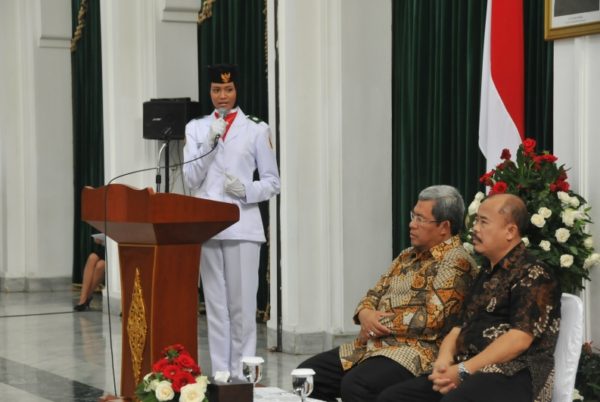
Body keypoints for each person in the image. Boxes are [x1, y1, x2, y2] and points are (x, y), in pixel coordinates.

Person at [297, 185, 478, 402]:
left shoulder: (456, 260)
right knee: (308, 376)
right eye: (413, 216)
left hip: (415, 351)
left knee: (356, 385)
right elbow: (375, 293)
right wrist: (365, 314)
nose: (411, 224)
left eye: (420, 219)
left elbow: (433, 318)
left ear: (444, 227)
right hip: (372, 346)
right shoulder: (406, 255)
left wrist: (376, 324)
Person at [377, 193, 561, 402]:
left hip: (515, 372)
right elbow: (459, 326)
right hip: (469, 368)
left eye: (483, 222)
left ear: (510, 231)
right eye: (475, 221)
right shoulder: (485, 272)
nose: (475, 228)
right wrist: (444, 361)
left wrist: (464, 370)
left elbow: (518, 340)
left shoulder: (534, 272)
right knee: (392, 398)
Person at [182, 64, 280, 378]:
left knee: (241, 306)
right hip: (208, 226)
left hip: (242, 226)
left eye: (228, 90)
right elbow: (190, 178)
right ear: (208, 91)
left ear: (237, 90)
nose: (222, 96)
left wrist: (246, 189)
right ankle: (222, 372)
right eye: (215, 90)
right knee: (215, 306)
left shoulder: (256, 129)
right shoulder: (197, 128)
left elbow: (272, 182)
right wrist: (210, 143)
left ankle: (244, 373)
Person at [74, 233, 106, 311]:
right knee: (92, 257)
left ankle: (87, 297)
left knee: (100, 265)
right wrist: (101, 240)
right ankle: (83, 298)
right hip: (105, 248)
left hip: (114, 250)